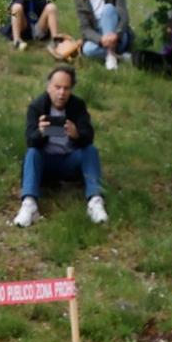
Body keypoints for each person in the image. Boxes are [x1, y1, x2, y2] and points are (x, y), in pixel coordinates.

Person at [14, 66, 104, 227]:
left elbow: (89, 136)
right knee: (32, 153)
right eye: (57, 87)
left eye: (66, 88)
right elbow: (29, 140)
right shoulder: (37, 107)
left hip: (70, 160)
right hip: (45, 161)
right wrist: (40, 132)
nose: (61, 93)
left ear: (71, 89)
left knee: (91, 151)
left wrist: (76, 134)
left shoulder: (78, 106)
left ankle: (95, 200)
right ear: (49, 87)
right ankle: (29, 203)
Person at [74, 0, 133, 70]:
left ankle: (111, 55)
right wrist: (100, 39)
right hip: (99, 38)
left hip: (118, 35)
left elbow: (124, 17)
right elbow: (85, 27)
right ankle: (119, 57)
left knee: (108, 9)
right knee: (87, 49)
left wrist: (116, 34)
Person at [1, 0, 78, 58]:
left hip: (38, 26)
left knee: (51, 7)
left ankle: (55, 40)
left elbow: (46, 5)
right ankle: (17, 40)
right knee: (16, 7)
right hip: (23, 27)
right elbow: (11, 10)